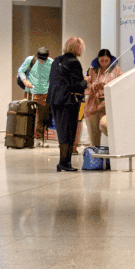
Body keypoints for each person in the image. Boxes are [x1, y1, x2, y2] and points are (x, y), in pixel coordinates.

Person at [48, 37, 88, 171]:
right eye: (82, 47)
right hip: (69, 101)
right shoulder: (75, 62)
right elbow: (77, 85)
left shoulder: (56, 60)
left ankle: (63, 162)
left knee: (61, 132)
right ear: (77, 48)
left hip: (55, 100)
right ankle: (65, 163)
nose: (83, 49)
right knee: (70, 132)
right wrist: (86, 80)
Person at [82, 49, 121, 149]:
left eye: (106, 61)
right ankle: (95, 161)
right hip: (93, 107)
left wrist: (109, 86)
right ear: (98, 60)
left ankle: (115, 156)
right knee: (94, 139)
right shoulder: (92, 71)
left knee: (112, 132)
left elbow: (122, 84)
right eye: (101, 61)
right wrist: (93, 86)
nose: (104, 63)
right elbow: (84, 86)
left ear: (110, 59)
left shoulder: (116, 70)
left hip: (108, 106)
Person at [18, 48, 53, 140]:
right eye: (39, 59)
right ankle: (27, 136)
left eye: (43, 60)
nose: (41, 62)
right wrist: (25, 81)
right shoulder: (30, 60)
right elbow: (21, 71)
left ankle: (39, 137)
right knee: (28, 113)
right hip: (31, 91)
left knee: (42, 116)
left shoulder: (51, 63)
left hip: (44, 92)